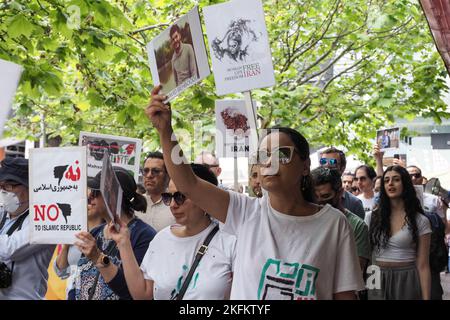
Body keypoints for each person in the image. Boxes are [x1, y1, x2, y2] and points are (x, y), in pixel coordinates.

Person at [145, 86, 365, 300]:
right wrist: (166, 131)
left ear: (305, 166)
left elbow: (343, 294)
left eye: (282, 154)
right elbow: (189, 184)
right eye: (263, 155)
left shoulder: (334, 224)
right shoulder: (245, 212)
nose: (269, 162)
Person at [107, 164, 236, 300]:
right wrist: (123, 243)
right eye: (169, 197)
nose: (173, 205)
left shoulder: (229, 243)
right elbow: (143, 294)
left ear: (205, 196)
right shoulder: (162, 238)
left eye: (180, 197)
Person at [70, 167, 156, 300]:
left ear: (112, 196)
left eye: (96, 192)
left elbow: (132, 292)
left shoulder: (144, 236)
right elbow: (78, 279)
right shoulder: (96, 232)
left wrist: (98, 258)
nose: (90, 196)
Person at [366, 165, 431, 300]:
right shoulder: (371, 217)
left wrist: (426, 298)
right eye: (386, 180)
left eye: (396, 179)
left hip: (406, 278)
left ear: (405, 184)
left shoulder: (420, 220)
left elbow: (423, 265)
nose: (390, 183)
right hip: (375, 276)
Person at [0, 157, 55, 300]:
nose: (3, 191)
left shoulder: (46, 220)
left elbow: (9, 249)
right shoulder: (3, 214)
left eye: (9, 186)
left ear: (29, 187)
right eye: (1, 186)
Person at [310, 167, 370, 272]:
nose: (319, 202)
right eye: (314, 197)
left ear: (340, 193)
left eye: (325, 196)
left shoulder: (356, 226)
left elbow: (356, 270)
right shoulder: (307, 220)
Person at [407, 165, 447, 300]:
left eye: (416, 175)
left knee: (432, 292)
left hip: (430, 255)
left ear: (422, 178)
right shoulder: (398, 199)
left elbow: (443, 226)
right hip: (406, 257)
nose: (413, 178)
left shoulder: (433, 200)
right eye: (409, 175)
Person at [53, 202, 104, 299]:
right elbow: (60, 271)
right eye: (86, 201)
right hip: (73, 293)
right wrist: (67, 244)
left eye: (92, 202)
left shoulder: (109, 233)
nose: (88, 204)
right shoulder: (77, 232)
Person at [319, 147, 365, 219]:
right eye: (323, 161)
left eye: (332, 162)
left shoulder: (354, 203)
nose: (326, 166)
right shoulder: (310, 197)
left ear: (342, 168)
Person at [135, 152, 174, 232]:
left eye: (156, 171)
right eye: (146, 171)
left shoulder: (176, 204)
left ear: (168, 175)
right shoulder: (135, 203)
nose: (149, 175)